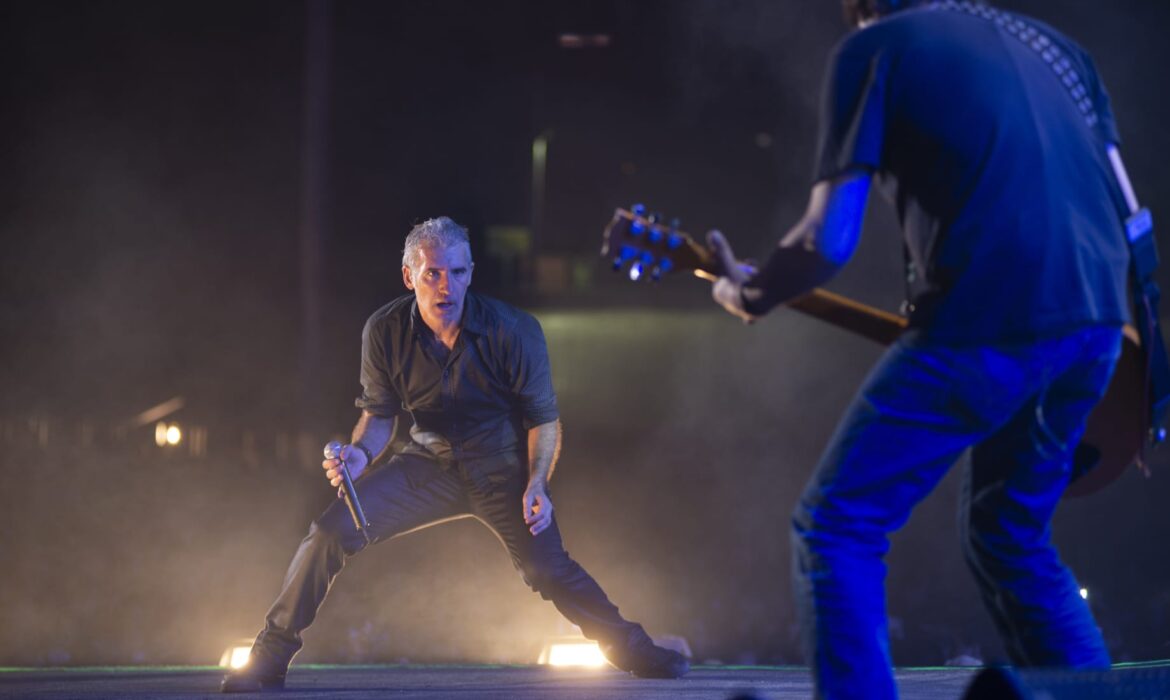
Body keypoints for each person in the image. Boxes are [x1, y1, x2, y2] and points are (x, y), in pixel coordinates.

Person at [707, 1, 1142, 698]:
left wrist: (750, 295)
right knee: (1010, 535)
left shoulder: (872, 49)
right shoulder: (1059, 48)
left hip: (992, 314)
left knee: (838, 525)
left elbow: (827, 242)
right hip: (1101, 324)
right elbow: (1131, 213)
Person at [222, 217, 689, 692]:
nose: (449, 286)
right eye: (434, 274)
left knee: (547, 569)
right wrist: (360, 455)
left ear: (471, 272)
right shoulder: (383, 330)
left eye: (459, 272)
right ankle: (268, 659)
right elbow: (379, 414)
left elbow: (543, 420)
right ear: (410, 276)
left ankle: (635, 649)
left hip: (501, 469)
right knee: (327, 532)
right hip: (426, 465)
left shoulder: (514, 330)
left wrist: (537, 484)